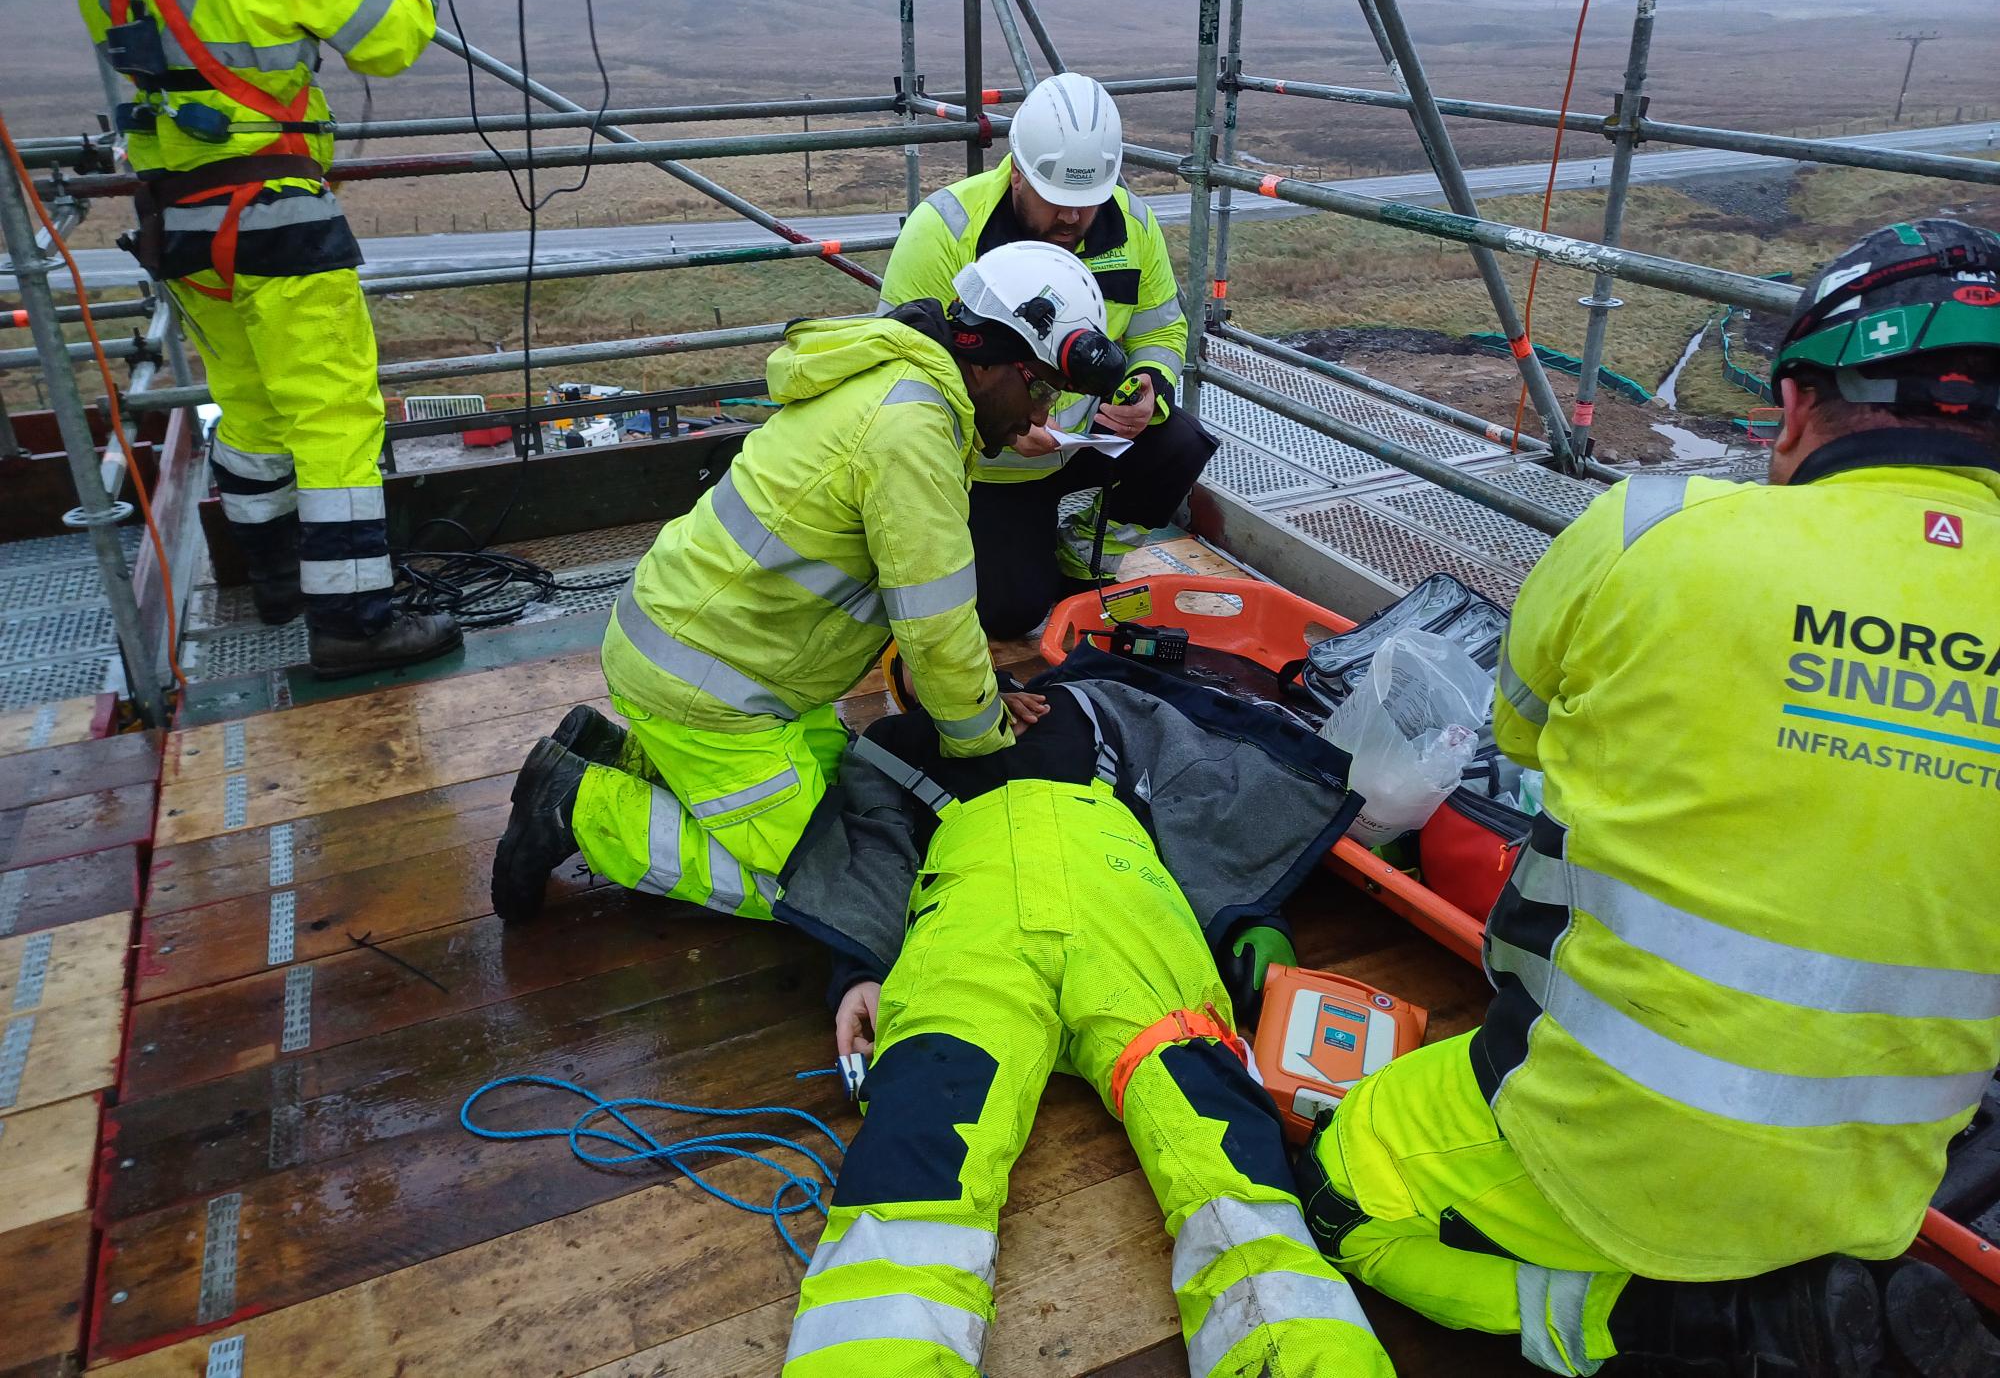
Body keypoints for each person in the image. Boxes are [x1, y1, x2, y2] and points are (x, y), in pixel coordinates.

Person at [1293, 218, 2000, 1377]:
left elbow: (1515, 732)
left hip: (1598, 1139)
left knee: (1339, 1191)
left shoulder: (1653, 530)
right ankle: (1793, 1291)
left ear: (1789, 406)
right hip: (1870, 1183)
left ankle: (1655, 1328)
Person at [491, 242, 1129, 926]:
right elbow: (936, 629)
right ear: (991, 360)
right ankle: (575, 807)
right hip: (713, 689)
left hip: (719, 660)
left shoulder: (902, 385)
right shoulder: (911, 433)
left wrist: (982, 688)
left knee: (844, 797)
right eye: (1038, 391)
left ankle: (613, 754)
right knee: (830, 888)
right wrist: (988, 746)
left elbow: (921, 603)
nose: (1040, 418)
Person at [780, 689, 1394, 1378]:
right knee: (922, 1119)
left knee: (1213, 1123)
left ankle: (1304, 1357)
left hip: (1128, 909)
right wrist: (860, 968)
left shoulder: (1091, 704)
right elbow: (870, 845)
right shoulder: (892, 742)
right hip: (975, 925)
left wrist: (1249, 914)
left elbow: (1198, 798)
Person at [76, 0, 459, 677]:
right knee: (336, 422)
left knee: (249, 410)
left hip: (178, 222)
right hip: (276, 217)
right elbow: (386, 40)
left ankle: (278, 581)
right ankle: (353, 623)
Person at [878, 71, 1217, 636]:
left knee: (1179, 441)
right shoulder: (945, 231)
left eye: (1087, 203)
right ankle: (1012, 550)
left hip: (1086, 439)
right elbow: (901, 367)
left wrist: (1147, 385)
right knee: (1010, 615)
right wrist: (1003, 429)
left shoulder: (1132, 225)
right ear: (1016, 174)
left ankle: (1083, 546)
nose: (1070, 219)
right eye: (1055, 200)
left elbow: (1161, 329)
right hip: (985, 464)